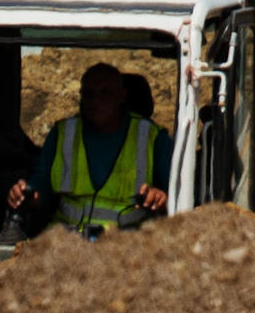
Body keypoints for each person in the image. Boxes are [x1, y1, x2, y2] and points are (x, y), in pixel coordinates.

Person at [13, 62, 166, 240]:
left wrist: (160, 197)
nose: (95, 101)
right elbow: (41, 187)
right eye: (88, 93)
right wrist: (26, 194)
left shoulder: (152, 137)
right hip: (65, 242)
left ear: (122, 96)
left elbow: (177, 195)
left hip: (128, 245)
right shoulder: (63, 132)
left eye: (105, 93)